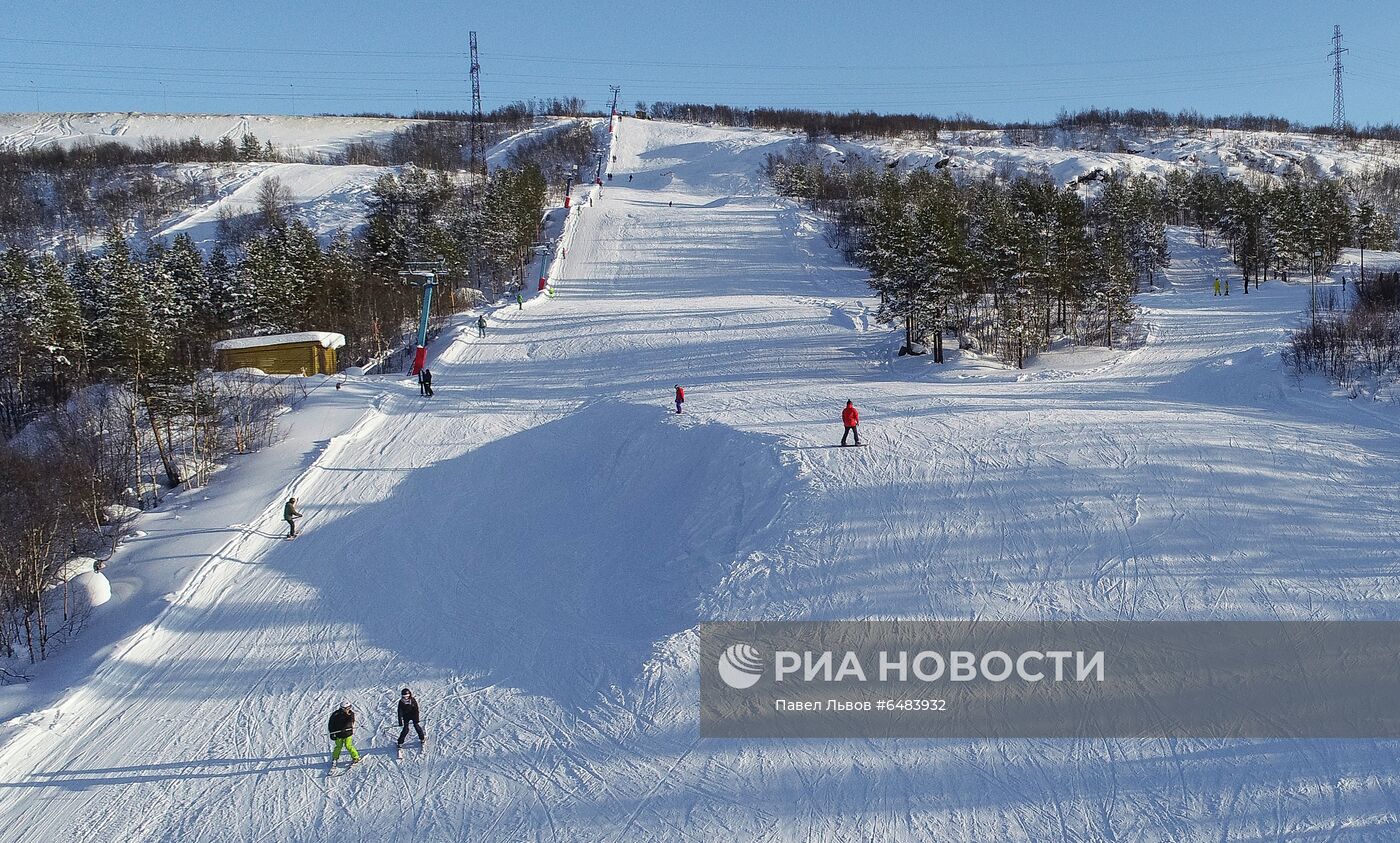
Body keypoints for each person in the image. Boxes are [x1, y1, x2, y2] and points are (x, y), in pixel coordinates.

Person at [328, 701, 361, 767]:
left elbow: (350, 722)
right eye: (347, 708)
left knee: (348, 746)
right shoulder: (335, 714)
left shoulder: (351, 714)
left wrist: (345, 727)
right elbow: (331, 724)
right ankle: (335, 758)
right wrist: (332, 733)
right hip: (339, 734)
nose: (349, 709)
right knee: (338, 747)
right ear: (343, 708)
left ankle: (356, 757)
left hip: (347, 733)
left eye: (349, 707)